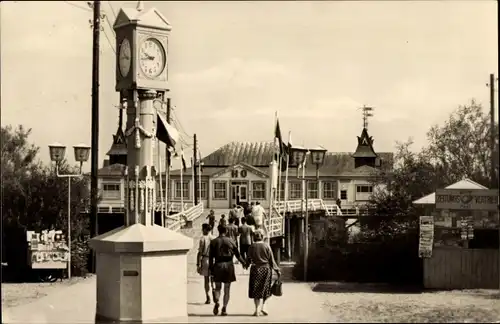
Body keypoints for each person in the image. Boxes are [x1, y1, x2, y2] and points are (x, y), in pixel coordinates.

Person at [209, 225, 247, 316]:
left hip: (218, 265)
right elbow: (238, 254)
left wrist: (211, 269)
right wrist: (244, 263)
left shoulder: (213, 242)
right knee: (227, 289)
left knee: (218, 287)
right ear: (226, 231)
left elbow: (211, 258)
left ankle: (217, 302)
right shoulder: (231, 241)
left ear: (218, 231)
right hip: (229, 266)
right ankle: (224, 308)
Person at [246, 229, 281, 317]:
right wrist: (277, 270)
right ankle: (264, 306)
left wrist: (246, 265)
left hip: (255, 269)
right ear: (262, 236)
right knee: (266, 289)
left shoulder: (251, 247)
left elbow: (248, 260)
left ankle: (257, 309)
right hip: (266, 269)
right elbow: (272, 260)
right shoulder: (267, 246)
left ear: (254, 237)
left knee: (255, 290)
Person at [196, 223, 214, 304]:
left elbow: (200, 252)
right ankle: (214, 293)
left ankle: (208, 296)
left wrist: (198, 264)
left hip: (205, 259)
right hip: (213, 259)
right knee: (213, 279)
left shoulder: (202, 239)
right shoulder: (213, 238)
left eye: (202, 229)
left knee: (206, 280)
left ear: (205, 230)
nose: (202, 230)